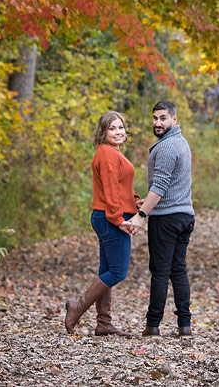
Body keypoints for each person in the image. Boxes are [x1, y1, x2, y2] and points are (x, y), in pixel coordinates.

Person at [64, 109, 140, 337]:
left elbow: (120, 187)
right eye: (112, 128)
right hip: (110, 217)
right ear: (103, 132)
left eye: (121, 127)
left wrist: (135, 201)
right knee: (117, 272)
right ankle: (77, 307)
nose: (118, 132)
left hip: (106, 215)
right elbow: (110, 191)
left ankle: (104, 323)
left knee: (107, 270)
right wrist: (119, 220)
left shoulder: (111, 153)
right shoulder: (107, 154)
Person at [123, 99, 194, 337]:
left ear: (174, 119)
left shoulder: (167, 146)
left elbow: (161, 184)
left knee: (161, 271)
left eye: (163, 118)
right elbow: (170, 185)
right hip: (183, 215)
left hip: (167, 219)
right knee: (178, 270)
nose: (158, 122)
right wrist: (148, 201)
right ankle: (185, 325)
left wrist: (142, 214)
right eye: (155, 118)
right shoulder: (181, 143)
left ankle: (152, 326)